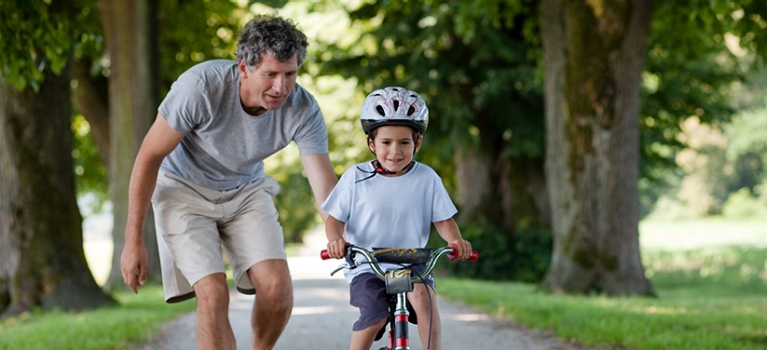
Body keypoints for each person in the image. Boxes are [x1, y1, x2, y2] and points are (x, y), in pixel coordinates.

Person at [119, 14, 337, 350]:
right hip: (183, 190)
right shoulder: (200, 88)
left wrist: (342, 233)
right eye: (271, 75)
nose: (281, 87)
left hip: (246, 191)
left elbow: (324, 187)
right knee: (213, 293)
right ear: (244, 69)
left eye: (290, 74)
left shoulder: (303, 109)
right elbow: (149, 156)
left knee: (277, 289)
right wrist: (133, 240)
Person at [323, 87, 473, 350]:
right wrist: (335, 239)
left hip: (410, 260)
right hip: (367, 263)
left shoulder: (427, 178)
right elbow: (334, 219)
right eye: (386, 142)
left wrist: (456, 240)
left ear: (417, 143)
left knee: (423, 297)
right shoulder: (355, 177)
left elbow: (443, 219)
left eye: (404, 142)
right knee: (374, 315)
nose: (395, 151)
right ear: (371, 143)